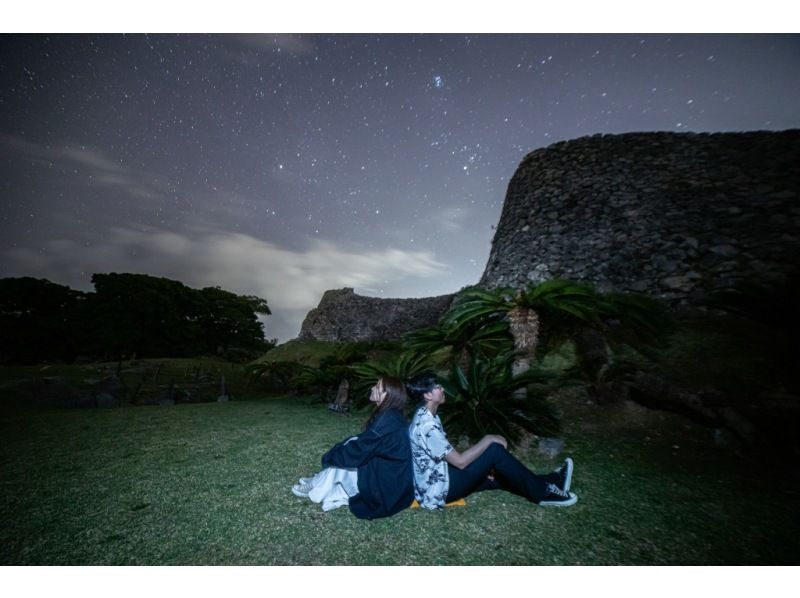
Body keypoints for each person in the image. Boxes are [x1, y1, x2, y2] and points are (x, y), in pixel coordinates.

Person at [406, 373, 577, 510]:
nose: (442, 388)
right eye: (437, 387)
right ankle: (543, 494)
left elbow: (445, 455)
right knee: (494, 449)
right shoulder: (427, 426)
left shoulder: (425, 415)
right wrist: (488, 439)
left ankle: (551, 481)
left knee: (501, 476)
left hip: (436, 482)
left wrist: (482, 465)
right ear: (428, 395)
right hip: (439, 491)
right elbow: (459, 462)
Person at [292, 376, 414, 520]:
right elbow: (364, 442)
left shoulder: (387, 420)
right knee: (349, 448)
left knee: (344, 463)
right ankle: (318, 480)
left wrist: (330, 456)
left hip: (386, 489)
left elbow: (356, 452)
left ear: (386, 394)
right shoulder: (391, 415)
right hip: (393, 480)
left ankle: (316, 487)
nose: (372, 388)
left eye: (377, 386)